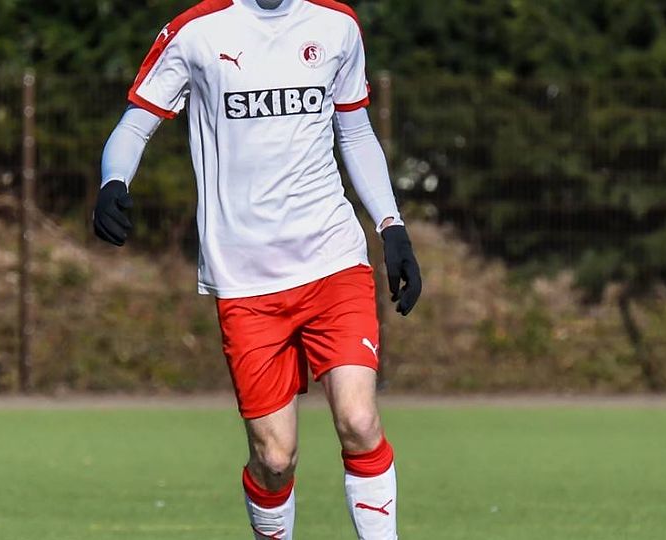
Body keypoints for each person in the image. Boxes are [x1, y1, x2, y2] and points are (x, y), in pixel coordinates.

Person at [93, 0, 422, 538]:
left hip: (332, 261)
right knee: (274, 458)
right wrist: (114, 181)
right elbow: (136, 123)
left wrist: (392, 227)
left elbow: (355, 132)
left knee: (360, 421)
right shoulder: (196, 31)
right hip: (245, 280)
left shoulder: (336, 25)